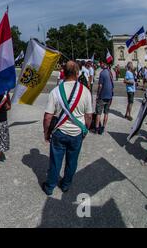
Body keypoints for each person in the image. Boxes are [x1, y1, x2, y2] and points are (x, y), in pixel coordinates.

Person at [42, 61, 93, 195]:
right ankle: (65, 185)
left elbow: (48, 117)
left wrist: (46, 133)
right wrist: (85, 130)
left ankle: (50, 187)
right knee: (72, 162)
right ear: (77, 73)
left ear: (63, 72)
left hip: (59, 132)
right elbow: (89, 116)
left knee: (55, 161)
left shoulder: (56, 91)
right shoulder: (86, 91)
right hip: (77, 133)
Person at [94, 62, 114, 135]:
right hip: (109, 95)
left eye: (101, 64)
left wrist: (97, 95)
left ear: (104, 65)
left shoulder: (102, 73)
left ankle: (96, 128)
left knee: (98, 113)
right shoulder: (110, 73)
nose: (100, 65)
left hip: (102, 95)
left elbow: (100, 85)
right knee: (106, 112)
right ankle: (103, 127)